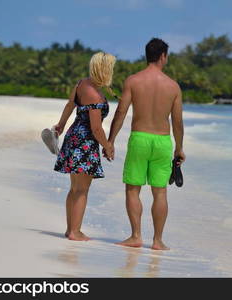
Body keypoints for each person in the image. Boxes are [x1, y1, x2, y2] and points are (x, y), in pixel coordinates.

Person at [107, 38, 185, 250]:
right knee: (160, 192)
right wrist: (179, 148)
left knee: (133, 189)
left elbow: (121, 113)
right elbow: (177, 122)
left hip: (139, 138)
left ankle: (136, 236)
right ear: (163, 56)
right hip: (162, 141)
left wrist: (110, 140)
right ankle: (158, 241)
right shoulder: (173, 86)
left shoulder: (133, 81)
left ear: (147, 55)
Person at [53, 52, 115, 241]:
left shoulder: (82, 84)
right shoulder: (95, 95)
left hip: (73, 136)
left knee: (74, 188)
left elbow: (70, 105)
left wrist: (61, 125)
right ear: (105, 69)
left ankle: (70, 229)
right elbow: (96, 128)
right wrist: (108, 146)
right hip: (85, 143)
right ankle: (75, 231)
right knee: (82, 190)